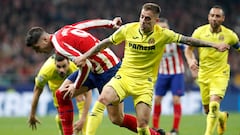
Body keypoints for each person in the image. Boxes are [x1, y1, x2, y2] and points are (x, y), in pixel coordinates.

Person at [74, 2, 230, 135]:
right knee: (102, 99)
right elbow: (104, 43)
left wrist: (214, 45)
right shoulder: (128, 29)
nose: (143, 21)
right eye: (141, 17)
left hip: (145, 84)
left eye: (147, 19)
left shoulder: (163, 34)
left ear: (156, 20)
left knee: (142, 126)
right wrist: (84, 56)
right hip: (124, 77)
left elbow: (188, 40)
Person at [25, 18, 162, 135]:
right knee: (62, 94)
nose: (39, 52)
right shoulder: (63, 31)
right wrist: (110, 23)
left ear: (44, 39)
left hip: (109, 70)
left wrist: (76, 86)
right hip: (95, 69)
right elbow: (87, 24)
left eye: (37, 48)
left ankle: (154, 134)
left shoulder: (59, 46)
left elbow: (85, 66)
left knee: (117, 119)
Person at [184, 5, 240, 135]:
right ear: (208, 17)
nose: (214, 18)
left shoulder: (230, 35)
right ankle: (222, 117)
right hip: (203, 74)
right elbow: (188, 50)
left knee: (214, 105)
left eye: (218, 16)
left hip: (220, 74)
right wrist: (191, 61)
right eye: (212, 15)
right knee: (208, 110)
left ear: (223, 18)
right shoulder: (199, 32)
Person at [28, 54, 92, 135]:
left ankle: (85, 133)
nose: (61, 70)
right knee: (61, 118)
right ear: (54, 64)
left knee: (80, 97)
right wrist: (32, 114)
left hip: (72, 85)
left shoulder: (76, 66)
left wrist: (82, 119)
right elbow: (37, 92)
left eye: (64, 66)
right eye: (58, 67)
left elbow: (88, 93)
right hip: (57, 90)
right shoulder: (46, 71)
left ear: (69, 63)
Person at [152, 18, 185, 135]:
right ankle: (155, 128)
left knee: (176, 99)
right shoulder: (154, 41)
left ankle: (175, 130)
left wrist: (191, 62)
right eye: (161, 28)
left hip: (177, 73)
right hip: (162, 73)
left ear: (169, 29)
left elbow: (186, 50)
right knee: (157, 99)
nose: (163, 30)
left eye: (165, 28)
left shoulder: (175, 39)